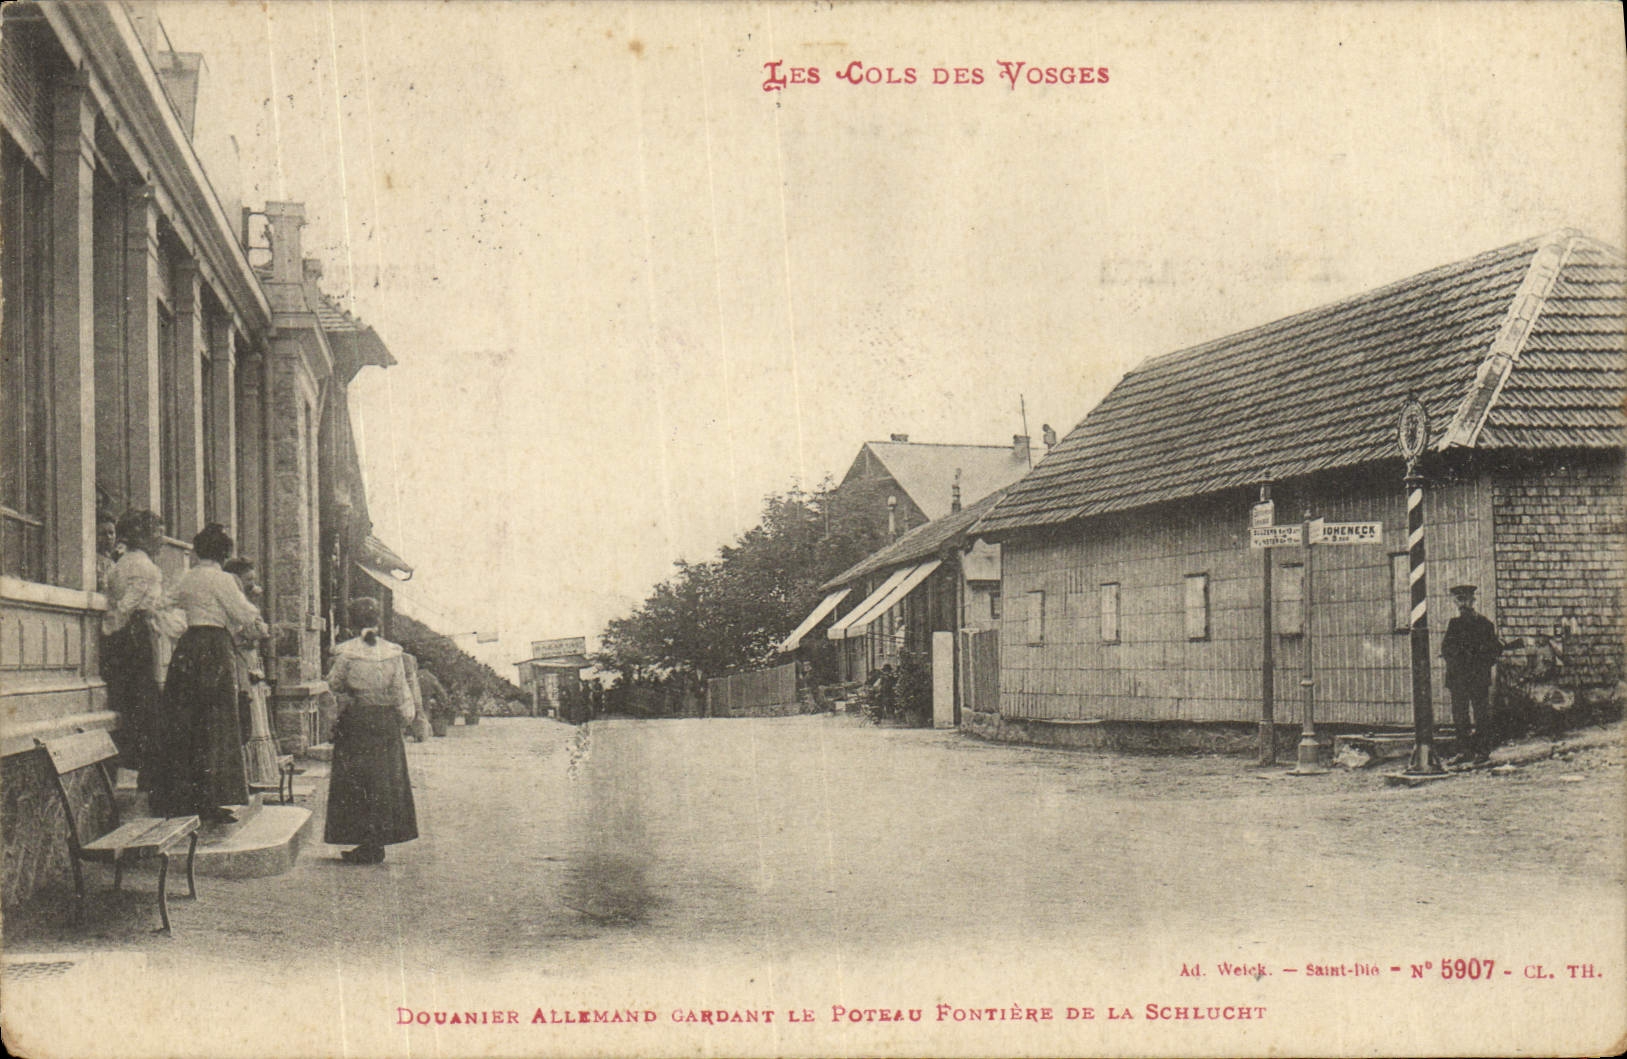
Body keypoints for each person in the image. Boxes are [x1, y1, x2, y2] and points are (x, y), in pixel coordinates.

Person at [151, 525, 268, 824]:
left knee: (186, 722)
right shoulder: (224, 579)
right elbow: (243, 613)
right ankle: (211, 799)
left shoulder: (186, 577)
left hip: (188, 648)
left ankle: (182, 797)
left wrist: (177, 628)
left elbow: (159, 605)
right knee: (216, 722)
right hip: (215, 649)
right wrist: (257, 624)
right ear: (224, 553)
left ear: (200, 551)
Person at [324, 596, 418, 864]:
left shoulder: (347, 652)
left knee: (357, 781)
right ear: (377, 620)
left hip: (357, 721)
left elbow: (334, 683)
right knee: (383, 782)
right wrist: (405, 718)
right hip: (384, 721)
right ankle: (376, 842)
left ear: (352, 623)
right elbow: (401, 690)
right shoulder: (392, 652)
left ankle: (367, 842)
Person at [102, 510, 178, 787]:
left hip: (133, 634)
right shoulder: (141, 566)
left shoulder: (125, 562)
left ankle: (147, 770)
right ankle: (151, 773)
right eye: (156, 533)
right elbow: (128, 603)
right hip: (136, 637)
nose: (161, 539)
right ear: (141, 536)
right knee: (145, 702)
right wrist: (114, 625)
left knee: (141, 702)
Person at [1441, 584, 1505, 764]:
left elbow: (1493, 653)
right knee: (1460, 716)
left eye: (1465, 600)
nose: (1462, 605)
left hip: (1477, 677)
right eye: (1459, 600)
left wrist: (1478, 661)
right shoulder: (1454, 625)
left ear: (1472, 601)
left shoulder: (1485, 625)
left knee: (1481, 714)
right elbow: (1446, 649)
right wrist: (1457, 659)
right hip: (1458, 678)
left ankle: (1482, 751)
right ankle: (1464, 751)